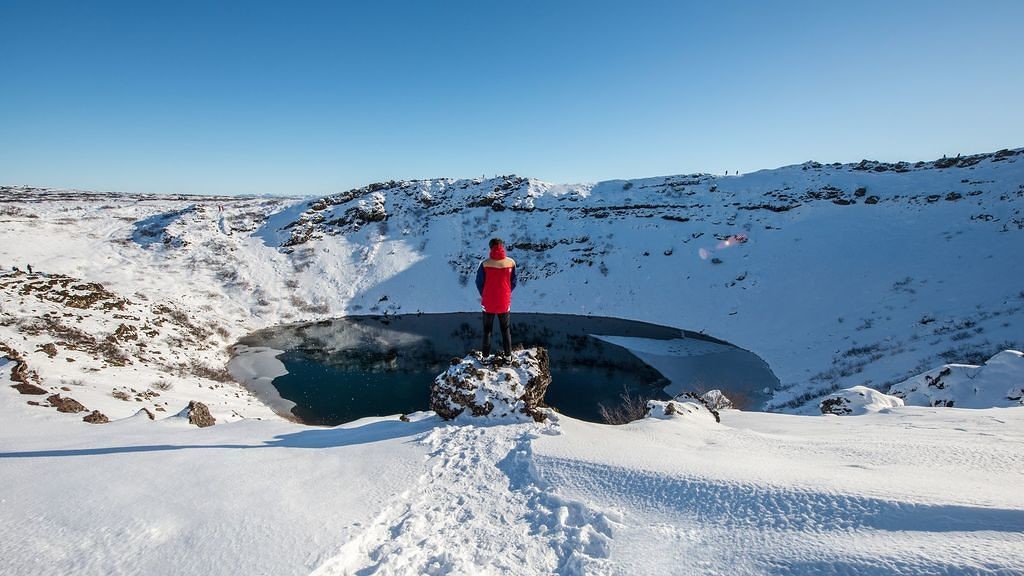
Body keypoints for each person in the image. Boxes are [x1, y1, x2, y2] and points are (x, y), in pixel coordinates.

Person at [475, 237, 517, 358]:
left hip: (488, 302)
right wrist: (507, 293)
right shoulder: (511, 262)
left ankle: (485, 358)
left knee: (487, 331)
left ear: (490, 247)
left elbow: (479, 282)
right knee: (505, 330)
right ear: (502, 247)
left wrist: (485, 294)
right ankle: (508, 357)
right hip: (504, 301)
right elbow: (514, 282)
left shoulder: (484, 263)